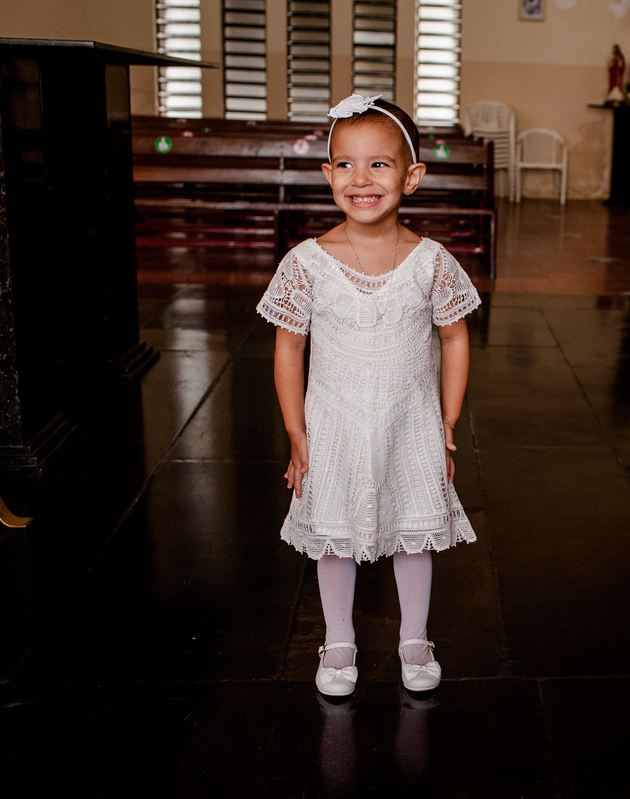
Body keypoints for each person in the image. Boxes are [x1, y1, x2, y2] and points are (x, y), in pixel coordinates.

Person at [256, 94, 481, 699]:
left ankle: (414, 639)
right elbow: (288, 350)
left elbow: (454, 337)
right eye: (346, 165)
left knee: (414, 531)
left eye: (379, 164)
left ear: (412, 176)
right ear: (327, 174)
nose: (361, 179)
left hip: (409, 422)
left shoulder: (431, 261)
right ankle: (338, 642)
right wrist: (297, 433)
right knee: (334, 536)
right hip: (333, 424)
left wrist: (446, 420)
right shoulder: (307, 263)